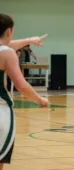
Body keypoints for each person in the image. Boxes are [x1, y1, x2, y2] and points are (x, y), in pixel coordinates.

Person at [0, 13, 49, 170]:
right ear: (9, 31)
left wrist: (29, 41)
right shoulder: (7, 54)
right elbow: (22, 86)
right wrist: (40, 100)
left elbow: (8, 45)